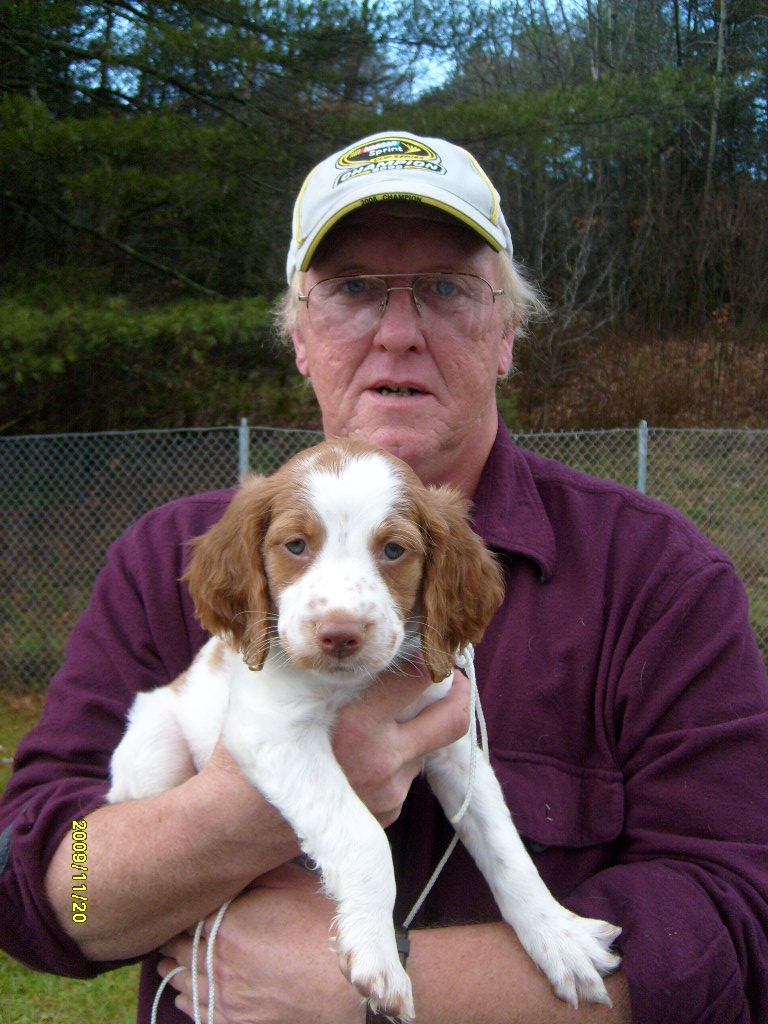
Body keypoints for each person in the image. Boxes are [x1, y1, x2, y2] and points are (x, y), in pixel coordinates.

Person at [1, 130, 767, 1024]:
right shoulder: (169, 556)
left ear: (508, 333)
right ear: (298, 336)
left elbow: (739, 929)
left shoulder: (661, 580)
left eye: (446, 289)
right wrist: (223, 821)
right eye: (353, 290)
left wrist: (382, 992)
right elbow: (44, 886)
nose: (398, 334)